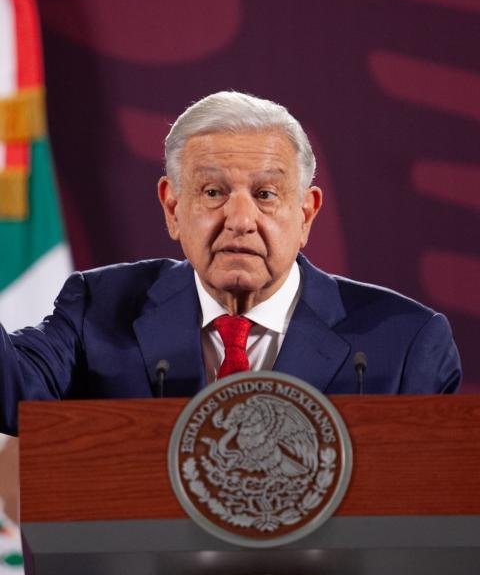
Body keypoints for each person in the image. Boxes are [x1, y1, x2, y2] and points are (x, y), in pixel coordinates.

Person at [0, 91, 461, 435]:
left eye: (265, 195)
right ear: (172, 207)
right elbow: (10, 389)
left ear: (306, 213)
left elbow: (436, 513)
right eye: (213, 192)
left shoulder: (405, 344)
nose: (240, 220)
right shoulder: (99, 310)